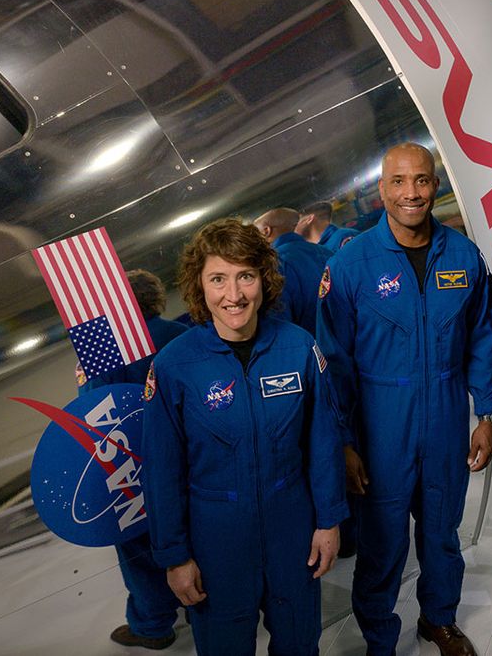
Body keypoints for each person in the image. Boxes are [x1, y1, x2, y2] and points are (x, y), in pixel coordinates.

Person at [317, 143, 492, 656]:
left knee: (442, 532)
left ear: (435, 184)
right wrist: (346, 442)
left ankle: (438, 620)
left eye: (421, 180)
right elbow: (332, 360)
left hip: (444, 416)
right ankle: (379, 635)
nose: (411, 193)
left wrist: (483, 414)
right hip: (380, 426)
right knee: (381, 541)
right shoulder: (352, 264)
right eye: (399, 182)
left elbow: (483, 336)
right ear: (382, 190)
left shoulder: (462, 255)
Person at [142, 218, 347, 656]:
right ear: (199, 285)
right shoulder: (174, 366)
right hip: (215, 535)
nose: (233, 296)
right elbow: (161, 471)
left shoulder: (298, 347)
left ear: (263, 278)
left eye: (245, 277)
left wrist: (328, 521)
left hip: (291, 522)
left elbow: (323, 443)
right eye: (218, 279)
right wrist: (175, 556)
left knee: (299, 642)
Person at [79, 269, 189, 651]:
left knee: (137, 546)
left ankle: (153, 624)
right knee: (192, 532)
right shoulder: (181, 335)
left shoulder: (101, 348)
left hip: (131, 464)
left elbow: (91, 408)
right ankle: (201, 604)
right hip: (188, 459)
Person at [254, 206, 334, 335]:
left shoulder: (274, 264)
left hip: (311, 349)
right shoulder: (327, 252)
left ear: (266, 231)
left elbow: (278, 326)